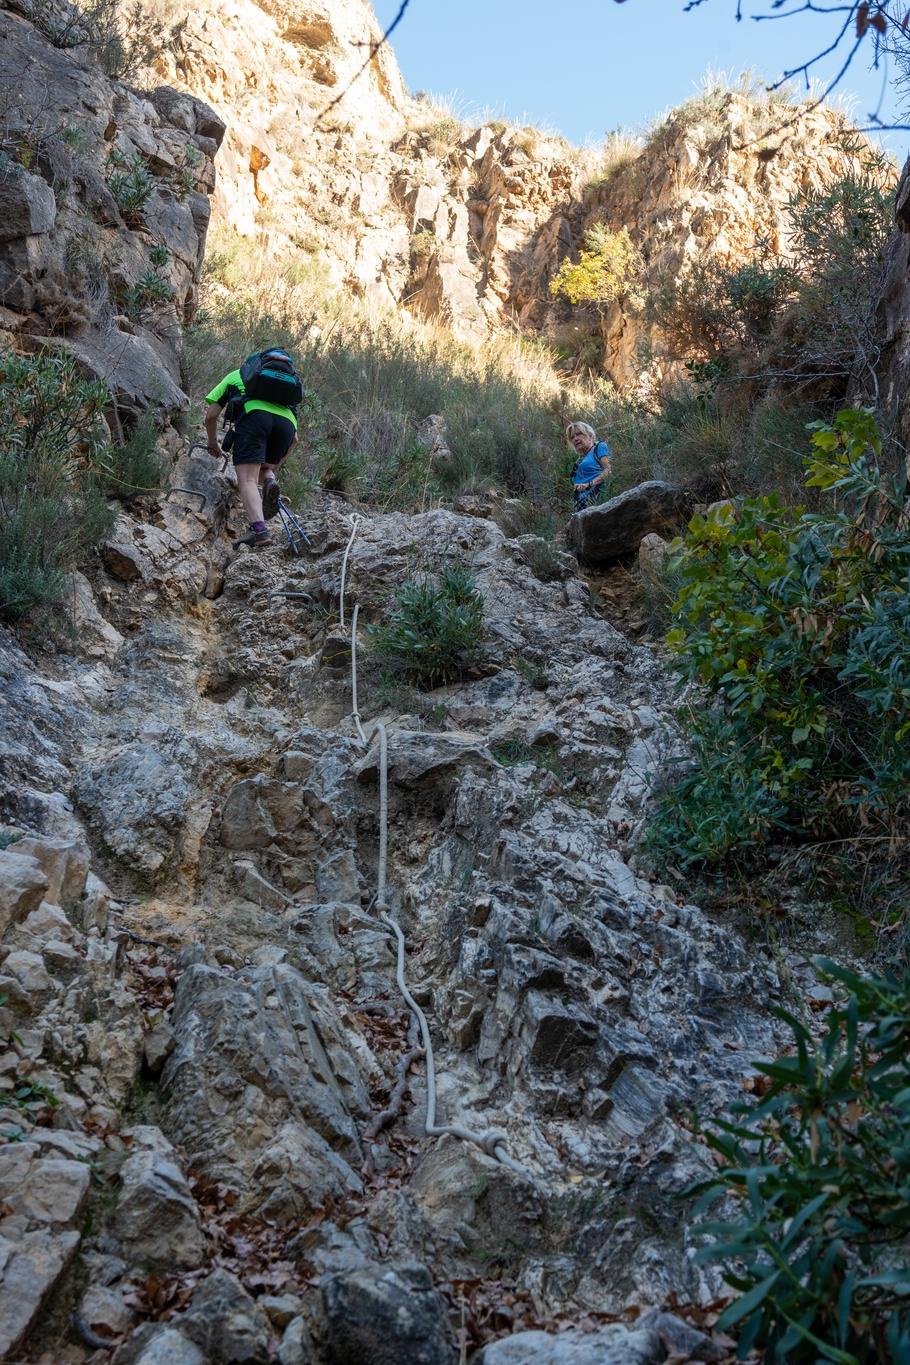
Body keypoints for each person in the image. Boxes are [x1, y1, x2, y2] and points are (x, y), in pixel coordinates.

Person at [204, 348, 300, 547]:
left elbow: (211, 416)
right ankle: (270, 480)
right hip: (287, 426)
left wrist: (212, 443)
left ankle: (259, 531)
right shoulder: (286, 389)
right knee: (262, 469)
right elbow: (296, 440)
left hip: (255, 417)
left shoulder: (237, 375)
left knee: (247, 478)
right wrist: (274, 468)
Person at [567, 421, 611, 511]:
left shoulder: (599, 447)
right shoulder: (579, 461)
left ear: (590, 436)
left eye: (579, 434)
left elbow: (608, 470)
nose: (575, 439)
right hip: (581, 507)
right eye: (572, 437)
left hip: (598, 504)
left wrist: (589, 484)